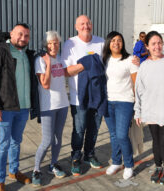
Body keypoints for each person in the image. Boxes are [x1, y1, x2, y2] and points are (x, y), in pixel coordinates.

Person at [0, 23, 39, 191]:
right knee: (3, 144)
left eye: (27, 36)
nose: (23, 38)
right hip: (5, 108)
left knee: (16, 142)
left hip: (23, 108)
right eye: (20, 34)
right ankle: (0, 180)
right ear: (12, 34)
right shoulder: (0, 52)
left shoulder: (27, 54)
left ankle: (14, 171)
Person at [61, 15, 104, 176]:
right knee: (79, 129)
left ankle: (89, 154)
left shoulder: (101, 42)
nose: (86, 26)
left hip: (98, 96)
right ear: (76, 26)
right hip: (79, 97)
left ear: (92, 25)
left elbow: (110, 63)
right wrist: (84, 64)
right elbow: (65, 71)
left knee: (94, 128)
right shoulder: (70, 44)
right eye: (82, 24)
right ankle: (76, 156)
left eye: (88, 23)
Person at [134, 31, 164, 185]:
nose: (157, 46)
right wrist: (138, 111)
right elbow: (139, 90)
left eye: (159, 43)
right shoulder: (144, 66)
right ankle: (158, 168)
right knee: (156, 142)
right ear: (147, 46)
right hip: (150, 110)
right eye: (153, 44)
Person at [31, 31, 69, 187]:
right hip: (48, 106)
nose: (53, 46)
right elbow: (45, 84)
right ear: (45, 45)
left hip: (63, 104)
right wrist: (48, 65)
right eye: (50, 43)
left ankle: (53, 165)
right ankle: (36, 170)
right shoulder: (40, 60)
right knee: (47, 140)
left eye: (56, 42)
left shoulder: (60, 58)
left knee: (58, 138)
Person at [102, 31, 139, 180]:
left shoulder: (130, 60)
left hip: (125, 102)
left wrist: (138, 105)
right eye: (113, 40)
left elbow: (137, 83)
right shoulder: (104, 59)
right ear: (108, 43)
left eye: (119, 40)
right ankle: (116, 162)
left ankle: (129, 165)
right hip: (109, 102)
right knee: (113, 134)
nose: (116, 43)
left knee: (122, 135)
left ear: (123, 43)